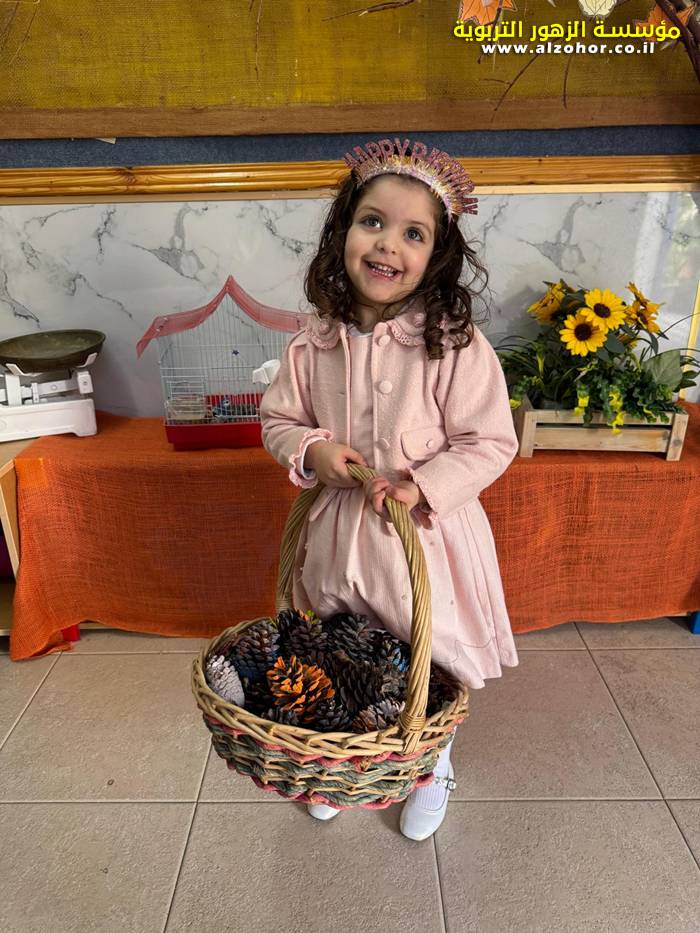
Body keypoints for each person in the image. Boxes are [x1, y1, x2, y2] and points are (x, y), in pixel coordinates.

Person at [259, 138, 519, 841]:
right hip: (338, 536)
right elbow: (279, 420)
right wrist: (312, 449)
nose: (387, 245)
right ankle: (347, 759)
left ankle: (433, 761)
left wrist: (423, 485)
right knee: (341, 653)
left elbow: (490, 441)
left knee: (425, 656)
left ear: (437, 255)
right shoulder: (310, 343)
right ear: (343, 230)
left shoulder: (453, 342)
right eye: (372, 221)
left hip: (424, 541)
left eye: (413, 233)